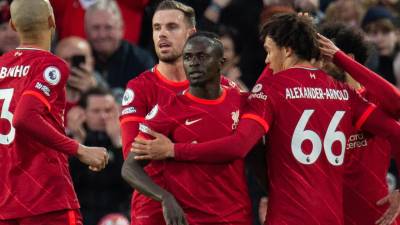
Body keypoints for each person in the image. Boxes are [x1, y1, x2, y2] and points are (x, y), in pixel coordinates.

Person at [131, 13, 400, 225]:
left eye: (270, 51)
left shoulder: (272, 90)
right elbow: (396, 130)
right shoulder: (343, 93)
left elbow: (238, 146)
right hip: (331, 217)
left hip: (290, 218)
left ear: (288, 49)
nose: (268, 61)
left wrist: (174, 149)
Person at [119, 1, 237, 224]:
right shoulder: (140, 88)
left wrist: (170, 146)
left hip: (210, 209)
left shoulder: (224, 89)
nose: (162, 34)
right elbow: (133, 155)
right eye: (157, 28)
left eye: (171, 27)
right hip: (155, 211)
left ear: (191, 34)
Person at [0, 0, 108, 224]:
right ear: (52, 21)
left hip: (6, 199)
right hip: (44, 198)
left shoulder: (1, 65)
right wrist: (79, 149)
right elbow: (25, 116)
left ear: (12, 25)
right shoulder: (50, 65)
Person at [318, 23, 400, 225]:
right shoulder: (318, 100)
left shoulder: (373, 97)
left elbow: (398, 104)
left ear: (348, 59)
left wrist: (339, 57)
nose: (318, 66)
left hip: (378, 213)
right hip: (331, 213)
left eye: (324, 58)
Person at [68, 88, 131, 225]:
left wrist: (117, 142)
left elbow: (132, 185)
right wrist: (78, 142)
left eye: (108, 111)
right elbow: (66, 185)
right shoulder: (68, 141)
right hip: (81, 217)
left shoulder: (128, 142)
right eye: (96, 111)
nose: (103, 116)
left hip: (117, 217)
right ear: (83, 113)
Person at [84, 0, 155, 96]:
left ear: (121, 29)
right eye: (96, 28)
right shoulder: (79, 58)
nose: (102, 34)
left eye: (108, 27)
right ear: (86, 31)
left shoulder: (141, 61)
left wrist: (95, 87)